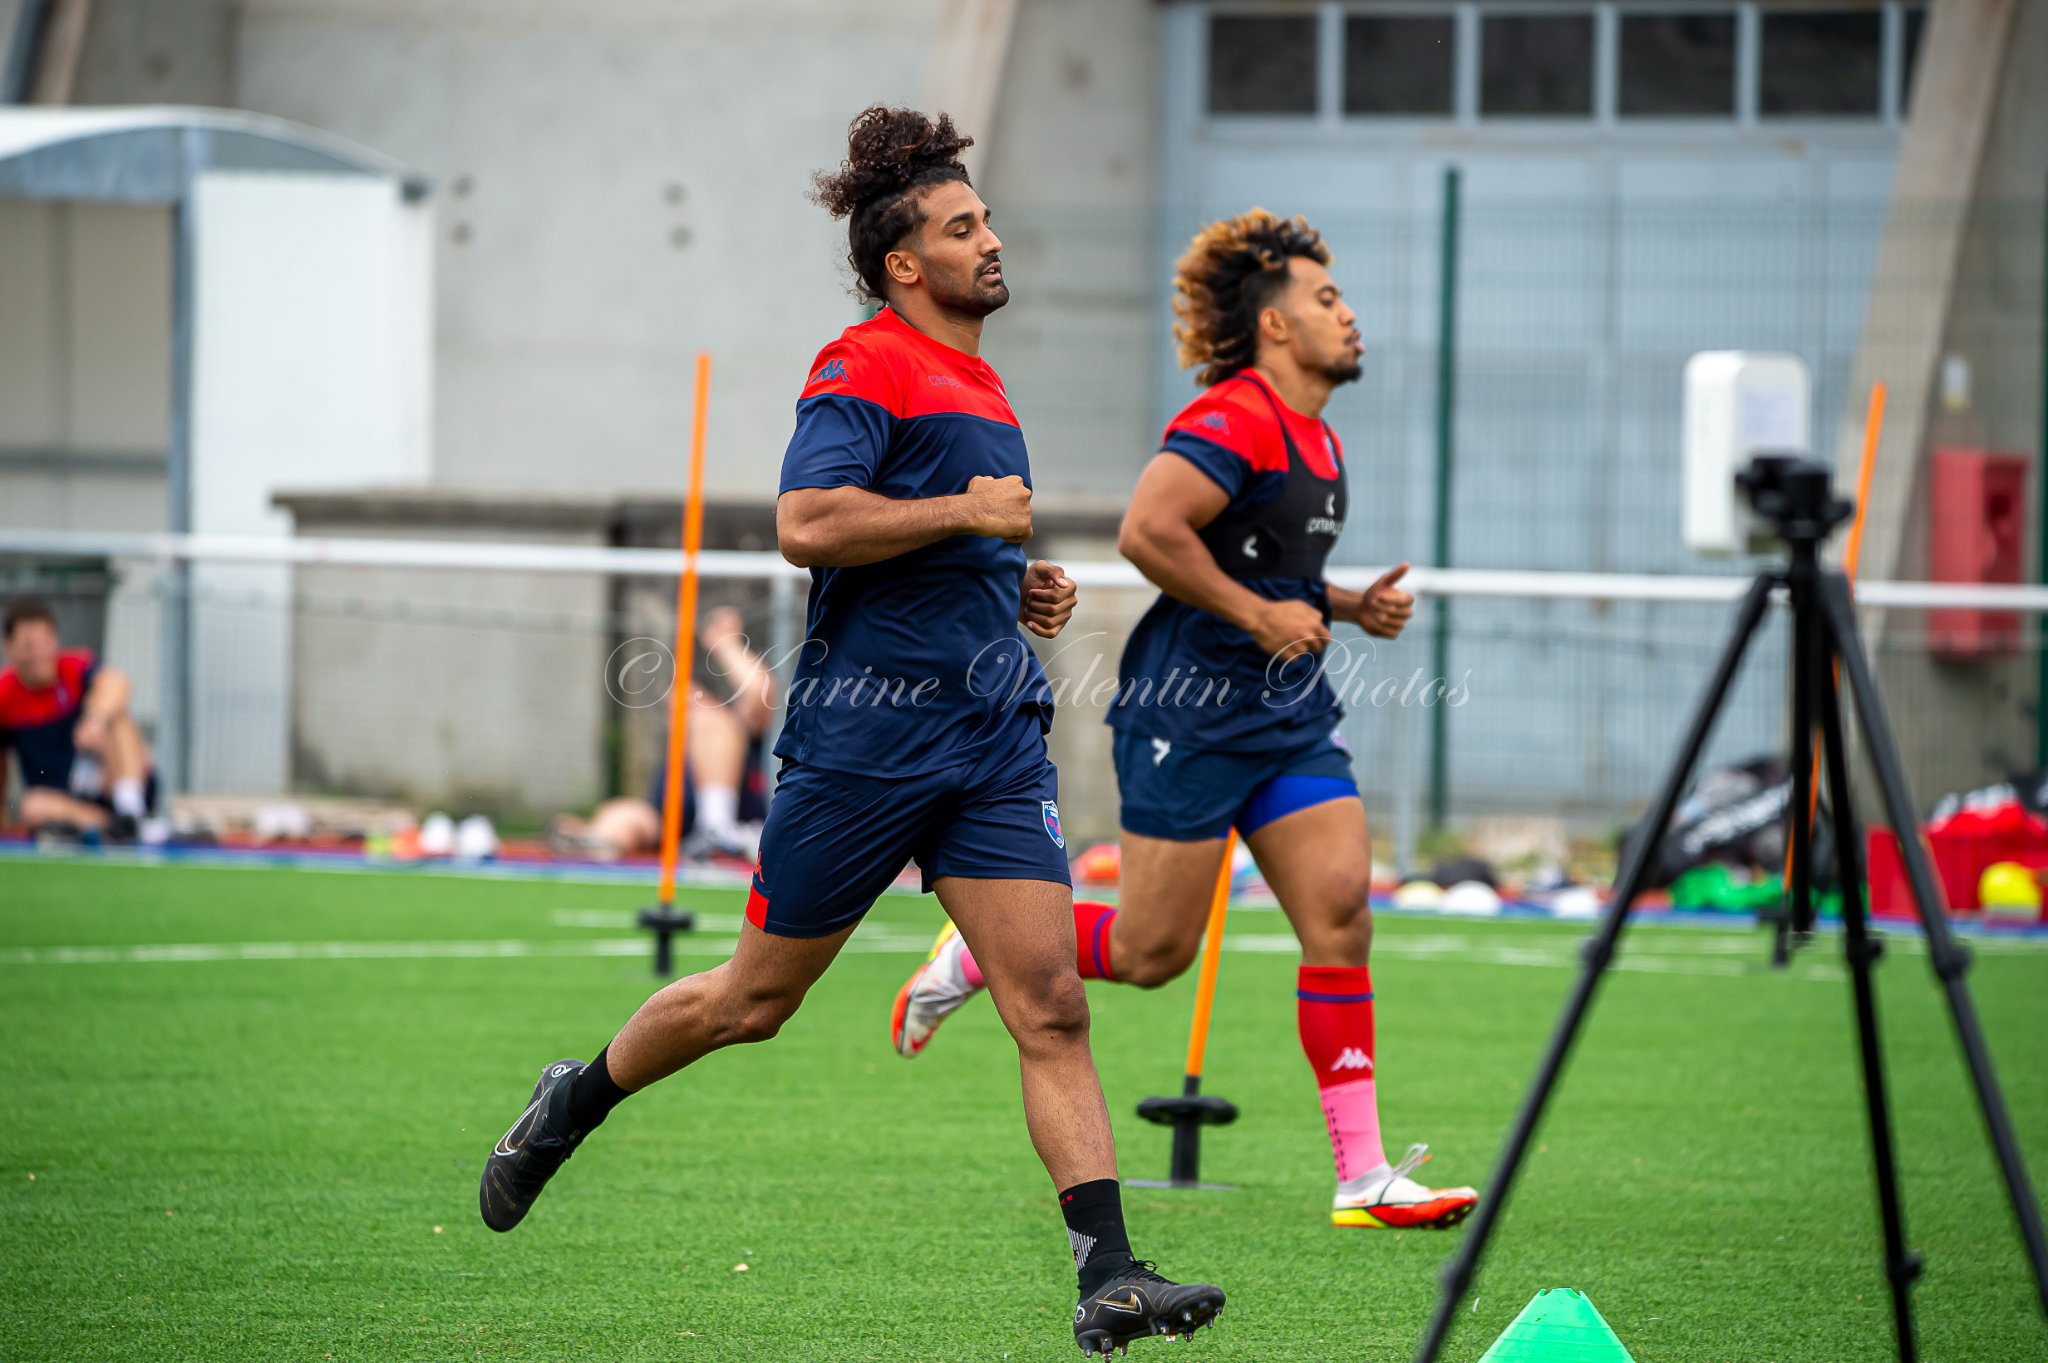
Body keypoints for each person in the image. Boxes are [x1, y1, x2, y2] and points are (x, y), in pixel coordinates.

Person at [479, 108, 1223, 1356]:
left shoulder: (982, 380)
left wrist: (1018, 584)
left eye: (982, 218)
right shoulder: (858, 362)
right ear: (902, 264)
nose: (990, 239)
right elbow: (808, 522)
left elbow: (953, 534)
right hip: (864, 745)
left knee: (1049, 999)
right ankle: (575, 1096)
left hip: (988, 741)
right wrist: (966, 515)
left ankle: (1109, 1271)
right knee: (752, 1002)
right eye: (961, 226)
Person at [892, 210, 1479, 1233]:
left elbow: (1267, 569)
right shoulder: (1231, 419)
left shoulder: (1320, 435)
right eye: (1325, 300)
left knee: (1340, 910)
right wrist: (1261, 615)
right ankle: (979, 953)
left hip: (1285, 714)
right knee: (1153, 951)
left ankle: (1363, 1173)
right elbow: (1147, 531)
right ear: (1276, 329)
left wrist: (1344, 607)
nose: (1347, 316)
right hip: (1188, 713)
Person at [547, 607, 775, 860]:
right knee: (625, 813)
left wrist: (725, 644)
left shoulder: (734, 728)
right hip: (673, 829)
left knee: (711, 723)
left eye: (691, 700)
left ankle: (716, 830)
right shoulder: (679, 747)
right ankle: (594, 838)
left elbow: (758, 691)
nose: (681, 710)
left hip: (741, 830)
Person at [0, 597, 156, 841]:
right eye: (28, 645)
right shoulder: (5, 695)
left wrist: (95, 719)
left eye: (44, 642)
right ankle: (123, 829)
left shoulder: (75, 667)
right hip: (60, 801)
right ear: (8, 646)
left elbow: (118, 683)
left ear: (55, 640)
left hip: (105, 782)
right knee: (33, 806)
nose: (38, 654)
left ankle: (132, 811)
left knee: (119, 719)